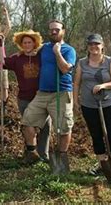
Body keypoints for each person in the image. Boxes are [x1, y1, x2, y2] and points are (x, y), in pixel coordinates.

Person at [21, 20, 76, 171]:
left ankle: (62, 157)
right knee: (27, 121)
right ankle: (32, 152)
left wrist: (57, 52)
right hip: (42, 93)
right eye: (51, 29)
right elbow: (29, 52)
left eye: (56, 30)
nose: (53, 32)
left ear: (63, 31)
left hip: (61, 94)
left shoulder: (68, 50)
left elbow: (65, 69)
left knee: (63, 128)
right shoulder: (44, 48)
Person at [73, 34, 111, 176]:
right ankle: (103, 164)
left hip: (108, 103)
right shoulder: (82, 63)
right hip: (89, 105)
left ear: (102, 46)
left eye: (97, 44)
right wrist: (76, 101)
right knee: (96, 134)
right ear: (88, 47)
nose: (94, 47)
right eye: (91, 44)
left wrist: (103, 85)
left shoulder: (110, 61)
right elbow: (76, 83)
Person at [3, 30, 51, 162]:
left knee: (45, 126)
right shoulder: (17, 58)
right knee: (27, 125)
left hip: (41, 96)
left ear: (34, 43)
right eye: (24, 42)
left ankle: (43, 155)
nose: (27, 45)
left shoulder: (41, 56)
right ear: (21, 44)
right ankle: (30, 153)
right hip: (24, 97)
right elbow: (1, 61)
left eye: (30, 42)